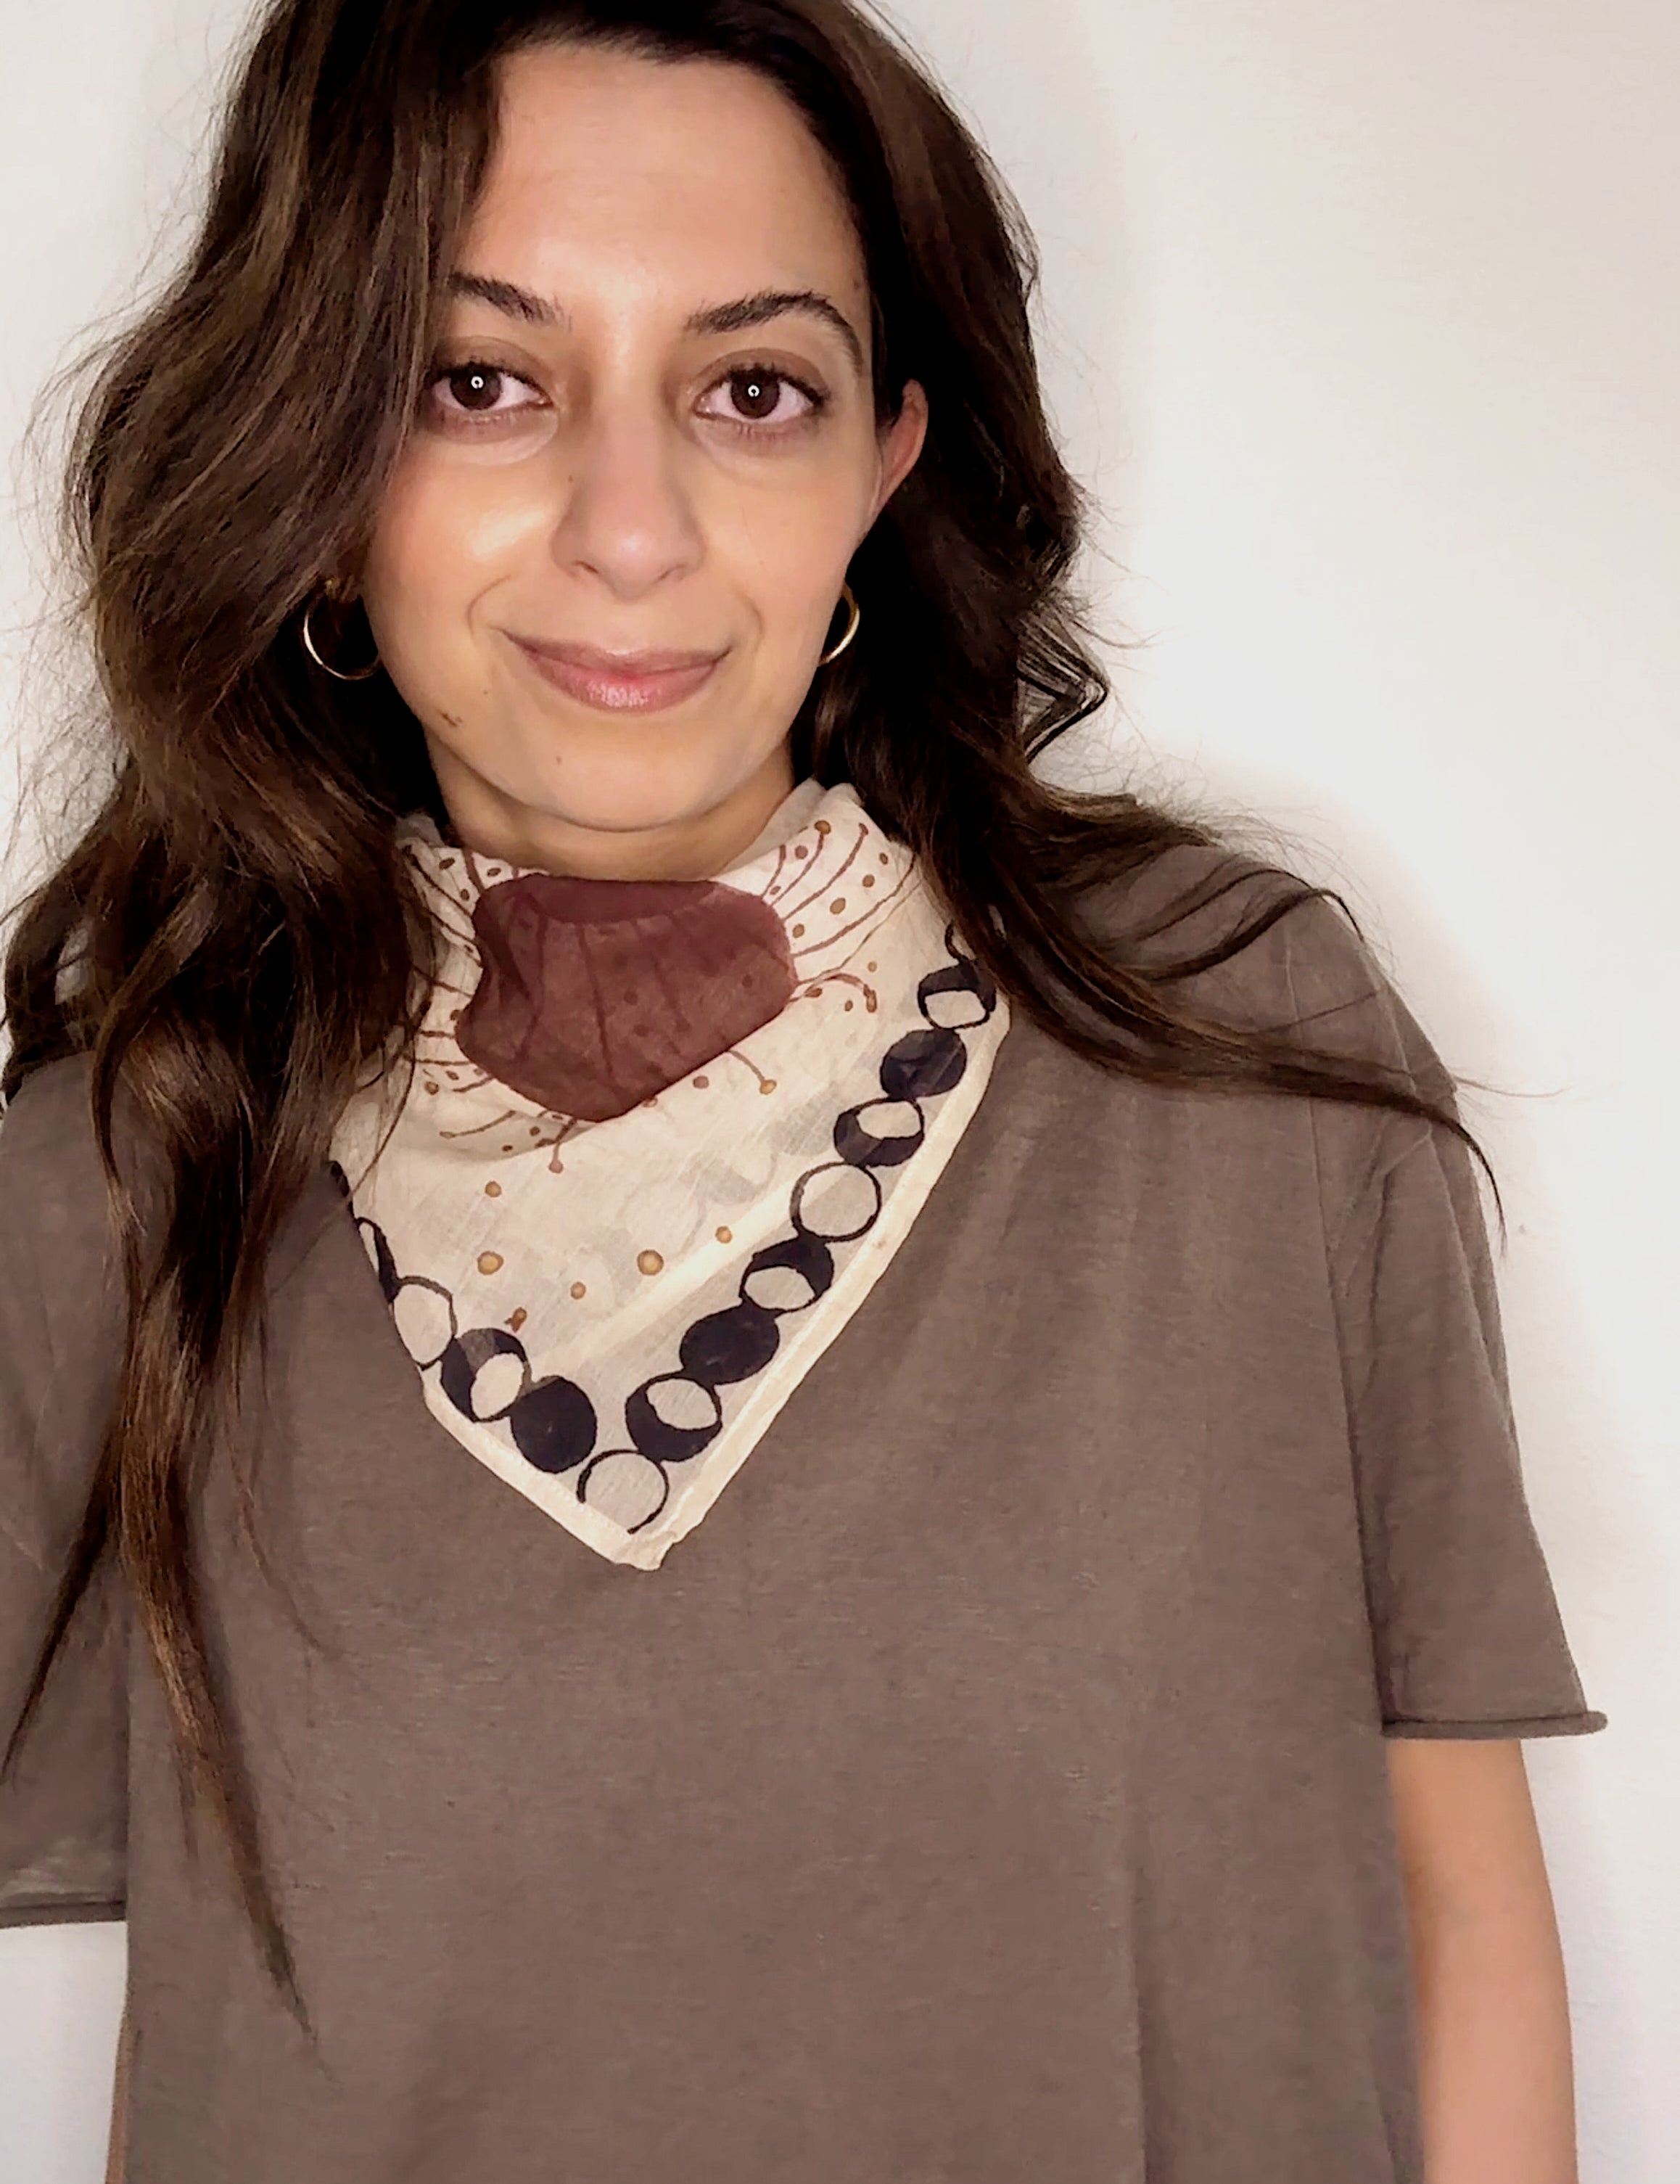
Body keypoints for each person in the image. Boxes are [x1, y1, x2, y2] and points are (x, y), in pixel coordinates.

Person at [0, 4, 1606, 2180]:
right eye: (484, 382)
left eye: (751, 390)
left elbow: (1455, 1913)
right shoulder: (136, 1162)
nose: (630, 527)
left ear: (884, 463)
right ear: (317, 472)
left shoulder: (1238, 1040)